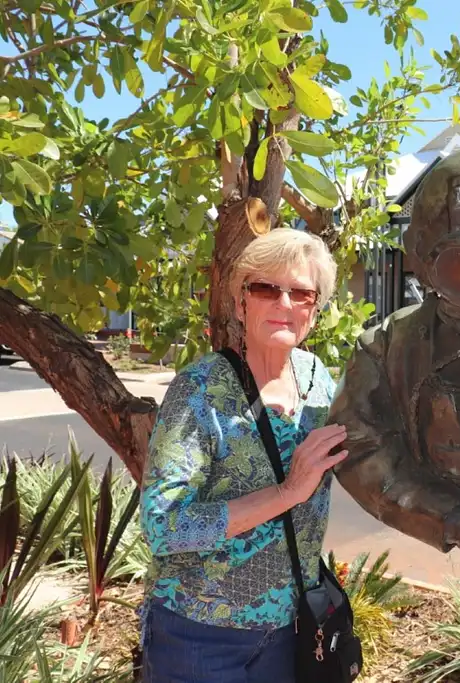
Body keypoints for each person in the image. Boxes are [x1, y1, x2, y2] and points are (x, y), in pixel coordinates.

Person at [139, 227, 349, 683]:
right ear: (241, 303)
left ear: (314, 310)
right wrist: (289, 491)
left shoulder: (320, 382)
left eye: (301, 293)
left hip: (291, 630)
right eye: (266, 289)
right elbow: (162, 526)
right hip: (199, 635)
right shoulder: (199, 390)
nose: (285, 303)